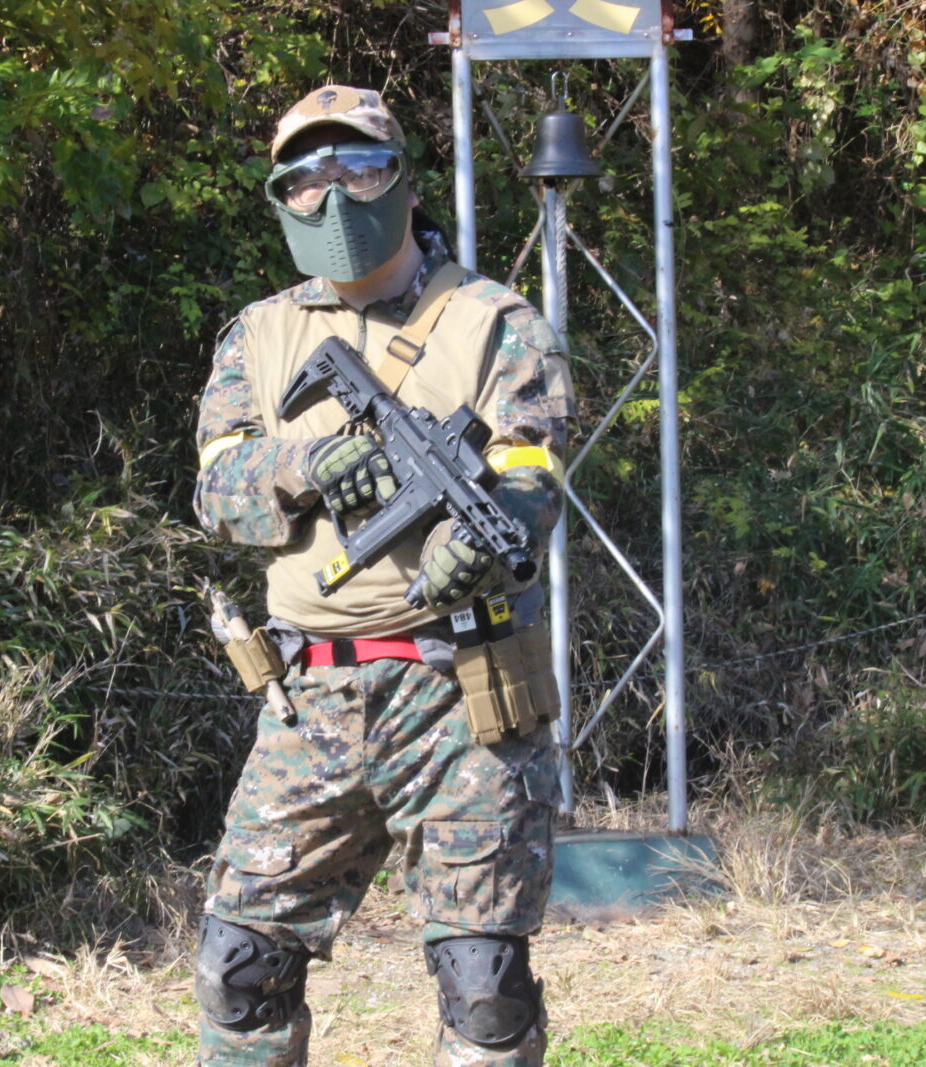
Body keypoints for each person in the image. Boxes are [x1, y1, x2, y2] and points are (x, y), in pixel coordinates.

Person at [191, 84, 574, 1067]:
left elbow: (534, 465)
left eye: (359, 169)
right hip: (308, 696)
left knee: (483, 986)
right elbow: (215, 492)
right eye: (306, 178)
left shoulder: (494, 322)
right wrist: (300, 466)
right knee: (239, 968)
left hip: (464, 694)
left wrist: (494, 532)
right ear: (281, 197)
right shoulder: (257, 335)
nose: (333, 196)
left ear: (403, 180)